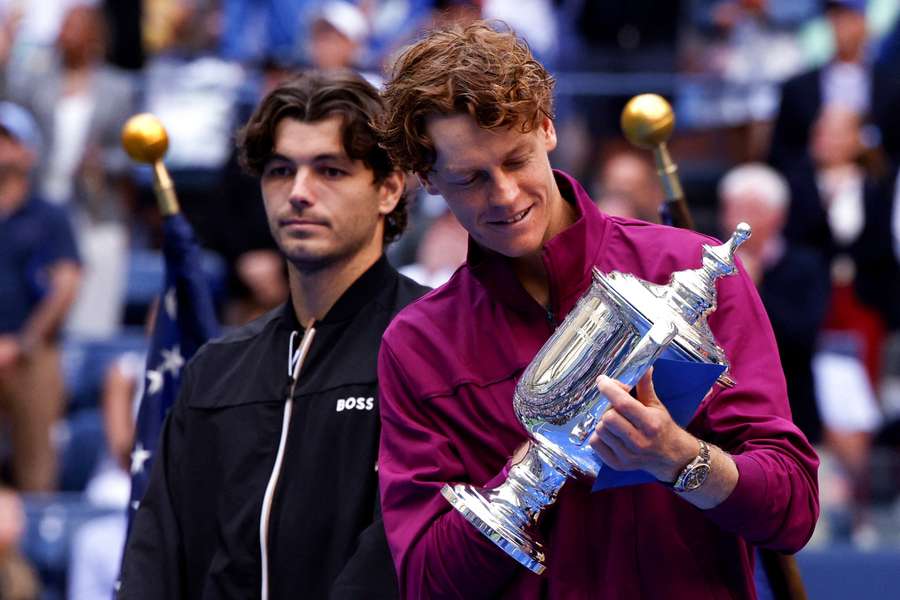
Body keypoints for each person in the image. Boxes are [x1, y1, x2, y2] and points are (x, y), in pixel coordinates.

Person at [376, 21, 819, 598]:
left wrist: (678, 459)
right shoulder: (418, 344)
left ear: (548, 128)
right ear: (428, 180)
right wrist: (535, 465)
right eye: (470, 179)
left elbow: (792, 509)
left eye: (516, 160)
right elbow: (428, 583)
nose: (505, 195)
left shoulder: (690, 268)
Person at [118, 70, 428, 599]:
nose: (299, 193)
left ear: (389, 188)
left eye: (330, 170)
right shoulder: (215, 370)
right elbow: (157, 557)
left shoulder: (430, 343)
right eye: (281, 170)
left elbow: (407, 553)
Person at [0, 101, 81, 492]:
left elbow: (67, 284)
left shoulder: (48, 215)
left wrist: (23, 342)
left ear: (28, 153)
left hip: (32, 351)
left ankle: (35, 534)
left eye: (8, 140)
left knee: (36, 466)